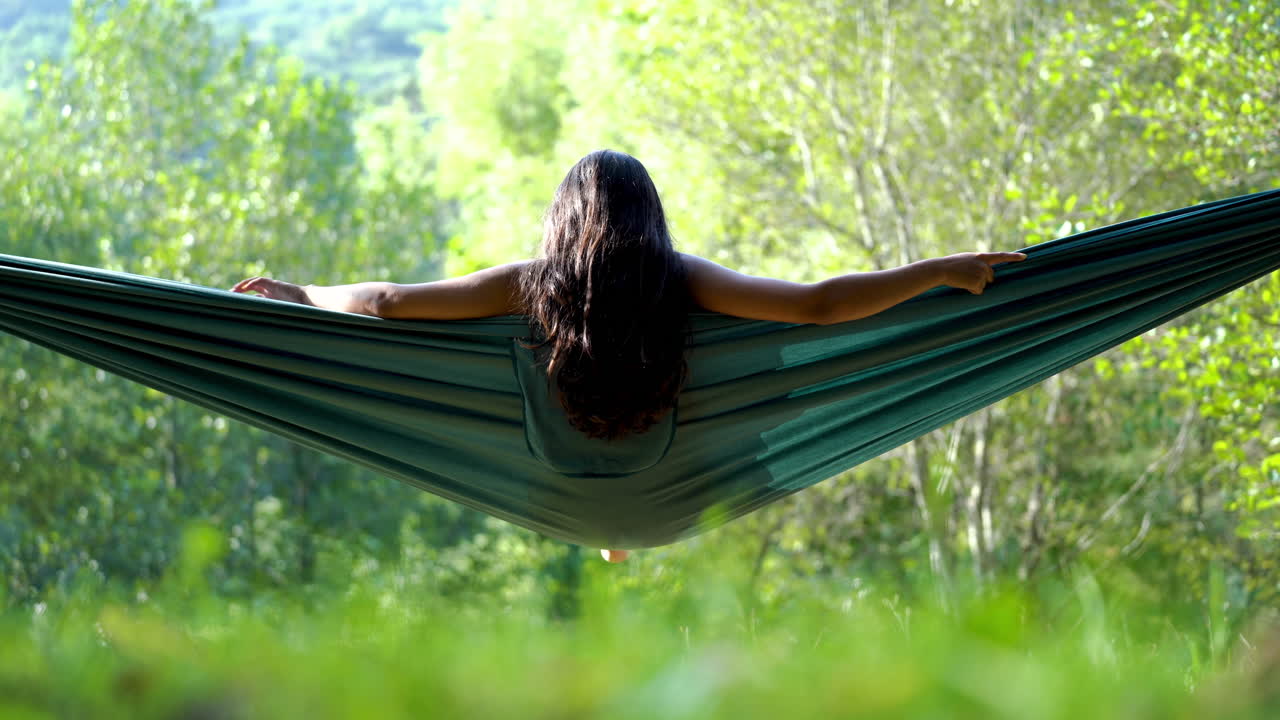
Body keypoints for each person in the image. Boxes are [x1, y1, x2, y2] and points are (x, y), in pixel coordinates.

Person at [232, 149, 1026, 564]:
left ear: (562, 219)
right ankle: (623, 518)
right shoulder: (678, 282)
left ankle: (604, 519)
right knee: (730, 380)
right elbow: (816, 304)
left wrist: (301, 292)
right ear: (649, 217)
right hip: (665, 481)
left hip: (559, 482)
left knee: (540, 396)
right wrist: (940, 268)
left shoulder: (530, 283)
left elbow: (389, 305)